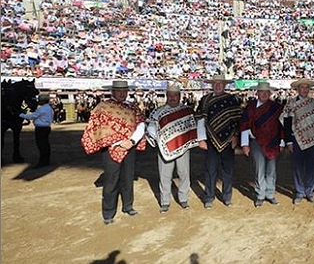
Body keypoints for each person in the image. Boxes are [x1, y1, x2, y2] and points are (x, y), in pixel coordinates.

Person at [81, 80, 147, 225]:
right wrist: (118, 142)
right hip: (111, 149)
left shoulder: (133, 108)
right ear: (113, 92)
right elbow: (100, 129)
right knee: (111, 180)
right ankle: (108, 212)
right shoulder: (103, 108)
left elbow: (141, 124)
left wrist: (131, 141)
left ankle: (128, 206)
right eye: (119, 91)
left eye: (124, 91)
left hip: (130, 147)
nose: (122, 94)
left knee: (128, 178)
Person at [146, 82, 201, 213]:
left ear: (180, 96)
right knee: (165, 175)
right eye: (170, 95)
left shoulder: (187, 111)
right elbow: (151, 127)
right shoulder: (158, 112)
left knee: (184, 173)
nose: (172, 98)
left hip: (183, 147)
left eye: (175, 95)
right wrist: (156, 137)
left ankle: (183, 199)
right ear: (166, 96)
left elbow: (193, 126)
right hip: (165, 149)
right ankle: (165, 201)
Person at [195, 74, 242, 209]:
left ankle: (227, 197)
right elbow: (201, 120)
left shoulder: (232, 99)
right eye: (215, 83)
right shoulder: (205, 100)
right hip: (210, 140)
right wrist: (201, 139)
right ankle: (209, 197)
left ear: (225, 85)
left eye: (220, 83)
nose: (218, 85)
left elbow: (237, 120)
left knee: (228, 170)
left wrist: (235, 136)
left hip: (228, 140)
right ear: (212, 85)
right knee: (210, 170)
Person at [281, 78, 314, 204]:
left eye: (307, 87)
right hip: (296, 140)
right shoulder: (290, 104)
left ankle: (309, 191)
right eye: (302, 87)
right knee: (297, 167)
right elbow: (286, 123)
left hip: (312, 139)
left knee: (311, 167)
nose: (304, 90)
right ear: (298, 89)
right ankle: (299, 192)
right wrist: (288, 141)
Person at [240, 81, 285, 207]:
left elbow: (282, 127)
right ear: (257, 93)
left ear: (269, 93)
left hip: (273, 142)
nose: (264, 94)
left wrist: (282, 142)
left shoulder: (277, 108)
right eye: (261, 92)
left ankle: (270, 194)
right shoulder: (250, 108)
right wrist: (245, 144)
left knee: (272, 170)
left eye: (266, 92)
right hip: (256, 142)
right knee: (258, 169)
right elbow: (244, 126)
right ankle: (260, 194)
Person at [20, 93, 54, 168]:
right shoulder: (49, 108)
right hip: (46, 127)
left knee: (41, 145)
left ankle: (42, 161)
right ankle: (46, 160)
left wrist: (20, 114)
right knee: (45, 144)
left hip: (41, 128)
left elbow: (32, 116)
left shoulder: (42, 109)